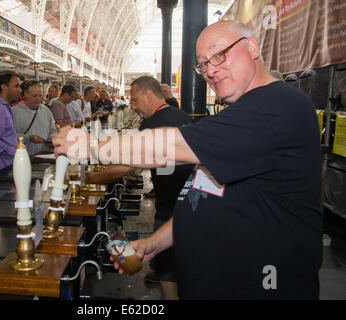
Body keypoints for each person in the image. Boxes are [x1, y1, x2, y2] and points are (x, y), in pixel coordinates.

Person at [53, 20, 322, 299]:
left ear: (252, 47)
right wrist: (157, 242)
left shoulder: (278, 105)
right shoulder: (241, 114)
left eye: (219, 55)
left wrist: (91, 145)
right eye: (203, 64)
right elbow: (202, 195)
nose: (210, 70)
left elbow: (168, 147)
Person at [87, 76, 193, 300]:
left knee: (167, 271)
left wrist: (89, 178)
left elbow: (125, 167)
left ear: (148, 95)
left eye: (135, 101)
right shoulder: (180, 114)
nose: (133, 106)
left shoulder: (152, 124)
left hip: (170, 207)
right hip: (190, 200)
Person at [13, 80, 56, 156]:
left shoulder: (46, 111)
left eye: (40, 96)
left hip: (43, 156)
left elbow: (52, 129)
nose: (38, 99)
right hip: (22, 156)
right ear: (26, 94)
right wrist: (28, 138)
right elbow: (9, 136)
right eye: (35, 96)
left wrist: (52, 137)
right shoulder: (14, 112)